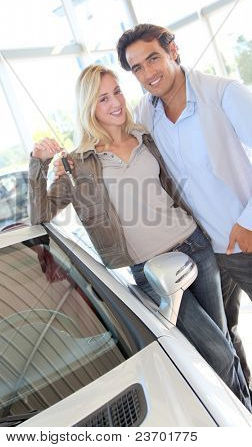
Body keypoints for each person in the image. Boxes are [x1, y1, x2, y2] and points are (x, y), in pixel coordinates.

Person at [28, 64, 251, 410]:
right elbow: (40, 214)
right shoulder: (77, 165)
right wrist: (38, 164)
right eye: (103, 98)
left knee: (224, 341)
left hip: (196, 248)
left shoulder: (145, 137)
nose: (115, 102)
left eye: (117, 92)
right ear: (89, 107)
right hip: (149, 271)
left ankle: (244, 415)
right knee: (216, 354)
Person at [115, 23, 252, 386]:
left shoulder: (223, 93)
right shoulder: (146, 114)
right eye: (137, 68)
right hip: (202, 250)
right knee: (225, 339)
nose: (148, 73)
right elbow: (110, 146)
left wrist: (250, 220)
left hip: (244, 240)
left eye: (153, 58)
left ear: (173, 50)